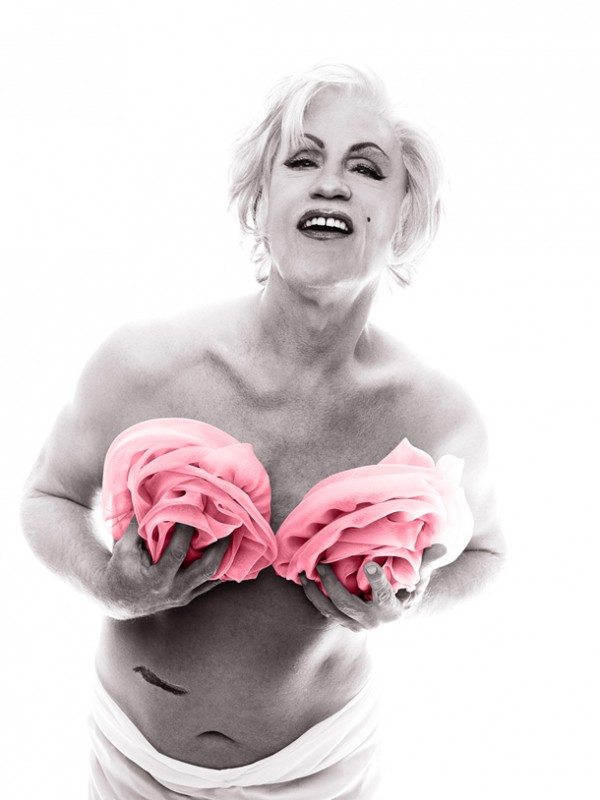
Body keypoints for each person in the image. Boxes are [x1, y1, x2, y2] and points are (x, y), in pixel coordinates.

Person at [20, 62, 505, 799]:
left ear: (405, 216)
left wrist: (412, 599)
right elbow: (46, 496)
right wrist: (108, 586)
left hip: (325, 770)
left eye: (365, 168)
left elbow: (489, 553)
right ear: (261, 198)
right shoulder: (143, 364)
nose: (331, 184)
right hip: (130, 763)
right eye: (302, 160)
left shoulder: (435, 416)